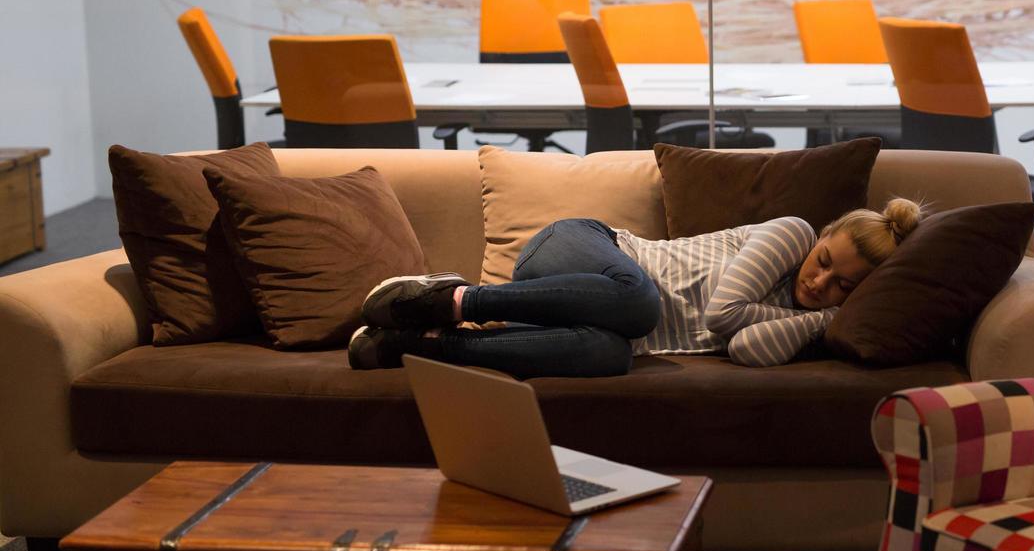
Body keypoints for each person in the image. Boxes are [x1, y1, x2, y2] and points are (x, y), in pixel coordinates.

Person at [348, 197, 923, 377]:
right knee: (642, 301)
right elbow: (724, 318)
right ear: (819, 237)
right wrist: (821, 318)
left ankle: (423, 346)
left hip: (598, 320)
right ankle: (449, 297)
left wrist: (825, 322)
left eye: (842, 286)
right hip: (583, 251)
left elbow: (747, 350)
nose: (819, 281)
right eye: (824, 261)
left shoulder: (807, 321)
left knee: (613, 353)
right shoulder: (790, 234)